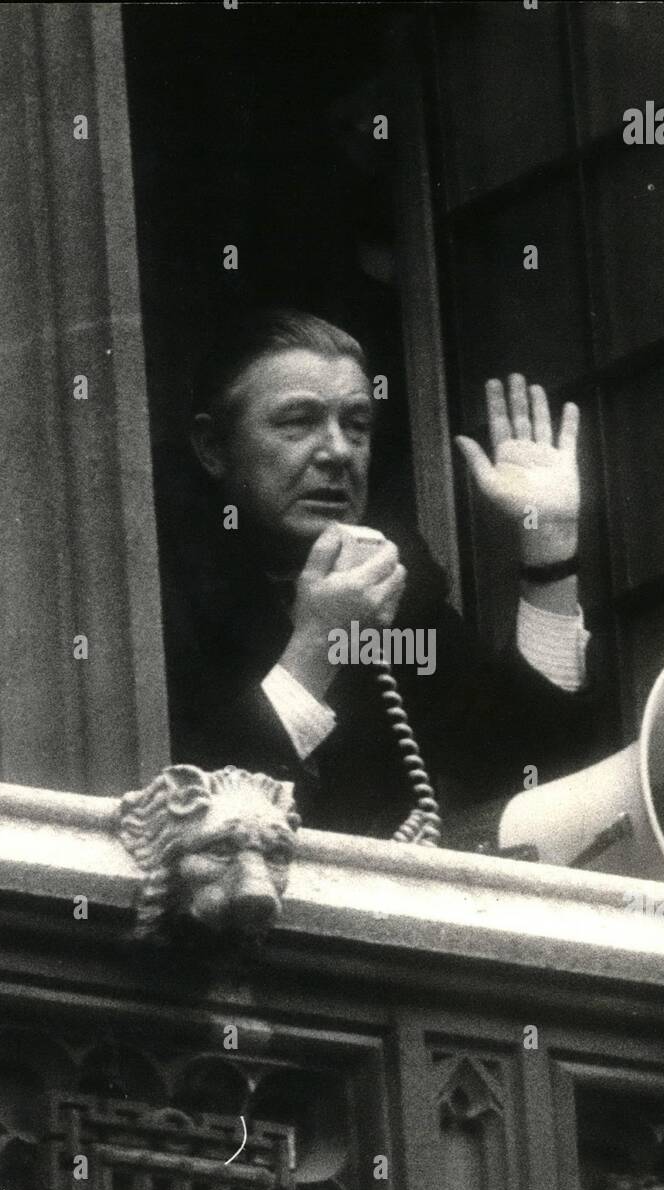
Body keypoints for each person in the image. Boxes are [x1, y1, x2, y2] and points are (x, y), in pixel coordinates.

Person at [155, 309, 609, 851]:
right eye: (297, 422)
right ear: (213, 449)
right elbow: (186, 818)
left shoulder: (397, 586)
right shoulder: (153, 588)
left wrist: (550, 549)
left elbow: (532, 774)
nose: (338, 451)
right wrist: (316, 648)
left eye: (356, 425)